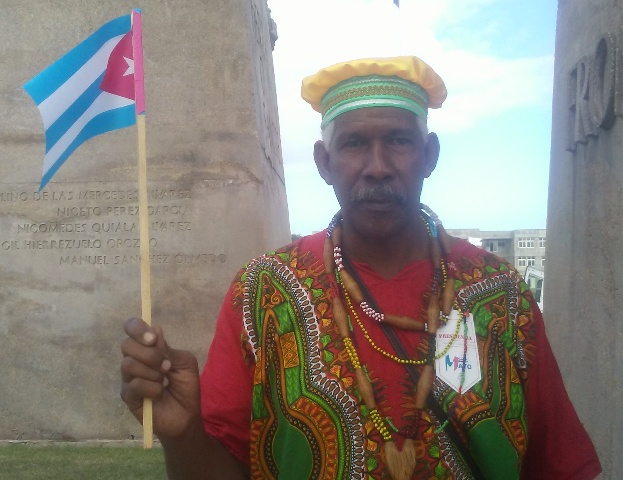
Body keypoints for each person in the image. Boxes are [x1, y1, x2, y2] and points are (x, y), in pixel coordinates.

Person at [120, 56, 602, 480]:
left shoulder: (502, 293)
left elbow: (558, 464)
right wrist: (182, 435)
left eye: (398, 141)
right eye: (353, 144)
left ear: (429, 155)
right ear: (324, 162)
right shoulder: (263, 292)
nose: (377, 166)